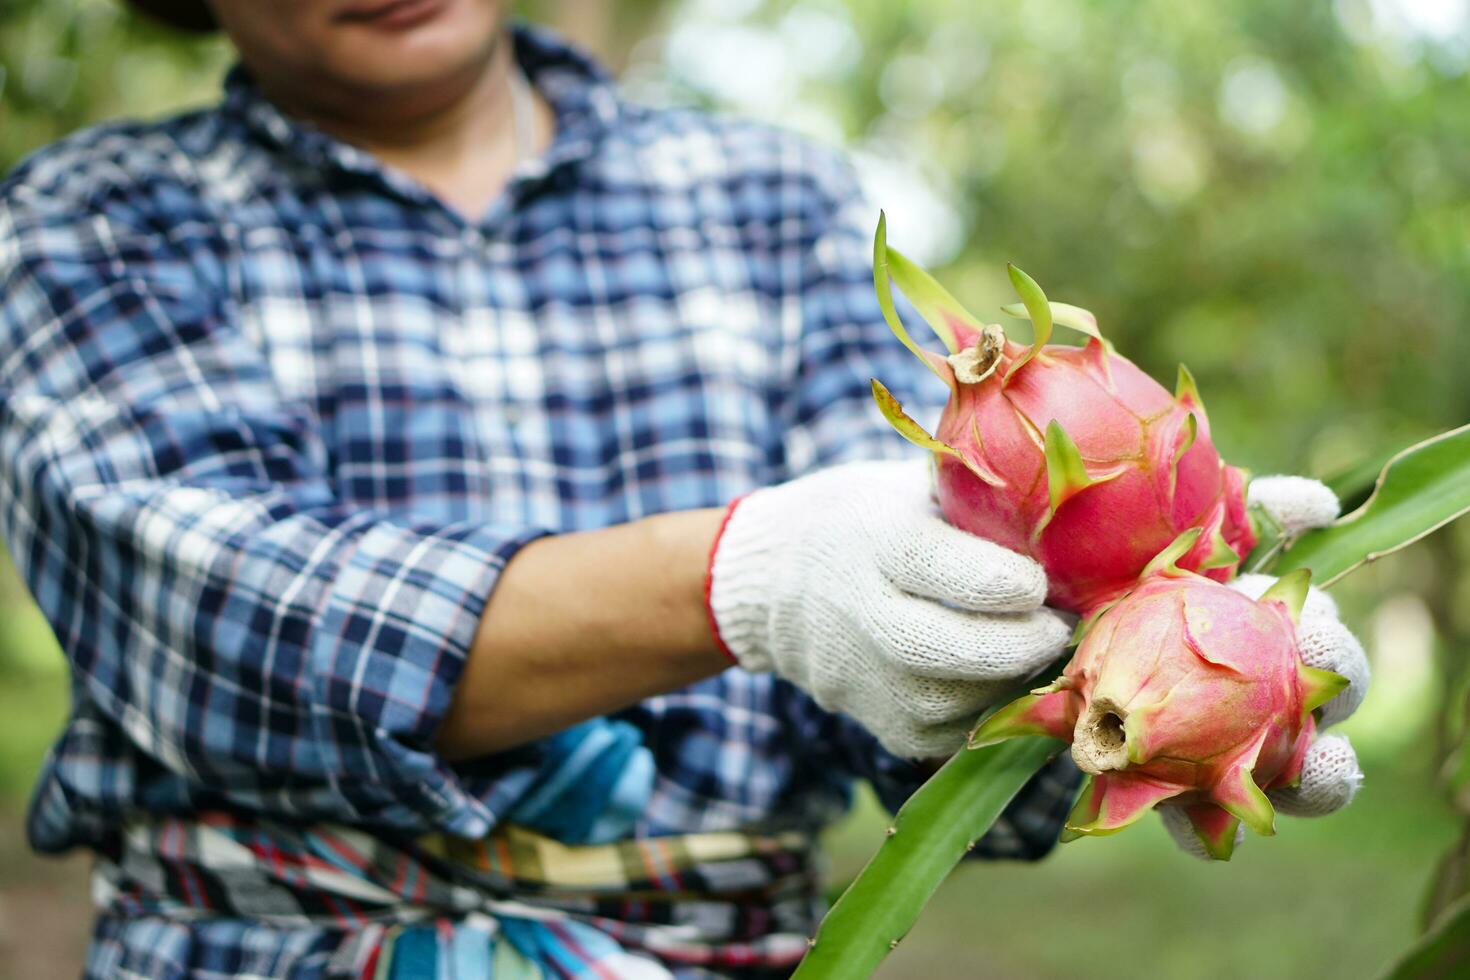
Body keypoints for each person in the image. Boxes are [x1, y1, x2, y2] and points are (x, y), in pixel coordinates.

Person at [0, 1, 1370, 976]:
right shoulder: (94, 218)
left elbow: (923, 611)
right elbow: (217, 616)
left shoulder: (767, 199)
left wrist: (1155, 634)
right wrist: (747, 578)